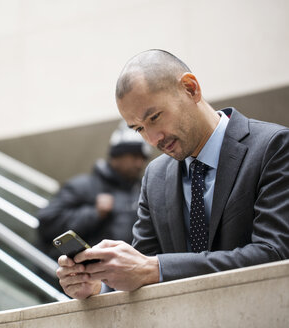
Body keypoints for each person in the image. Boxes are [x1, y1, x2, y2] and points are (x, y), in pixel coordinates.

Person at [56, 49, 289, 299]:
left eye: (155, 117)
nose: (152, 139)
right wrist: (99, 285)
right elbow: (141, 271)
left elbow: (275, 254)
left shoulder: (273, 147)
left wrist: (156, 268)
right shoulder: (154, 176)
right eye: (139, 129)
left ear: (190, 89)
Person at [37, 123, 151, 261]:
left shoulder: (142, 191)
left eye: (143, 158)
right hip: (88, 277)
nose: (139, 163)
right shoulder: (82, 186)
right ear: (116, 155)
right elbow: (46, 224)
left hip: (129, 274)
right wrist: (94, 213)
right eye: (134, 156)